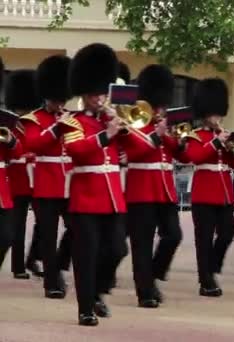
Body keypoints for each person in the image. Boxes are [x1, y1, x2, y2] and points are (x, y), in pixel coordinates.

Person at [58, 43, 128, 326]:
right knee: (86, 255)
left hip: (113, 197)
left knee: (117, 249)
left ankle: (98, 290)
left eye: (102, 93)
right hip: (85, 197)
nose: (100, 98)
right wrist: (107, 134)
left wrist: (119, 125)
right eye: (95, 94)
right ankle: (85, 308)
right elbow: (77, 152)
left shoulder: (111, 119)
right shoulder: (71, 122)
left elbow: (133, 147)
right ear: (84, 95)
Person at [120, 64, 182, 308]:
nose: (160, 110)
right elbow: (136, 151)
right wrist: (157, 134)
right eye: (158, 105)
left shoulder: (165, 126)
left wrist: (173, 137)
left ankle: (153, 274)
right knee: (141, 244)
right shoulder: (135, 124)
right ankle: (144, 291)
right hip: (141, 190)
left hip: (165, 190)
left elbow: (183, 156)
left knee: (173, 235)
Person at [179, 77, 234, 297]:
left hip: (224, 192)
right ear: (205, 114)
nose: (217, 118)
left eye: (219, 113)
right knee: (204, 239)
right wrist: (216, 142)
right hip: (204, 193)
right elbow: (193, 157)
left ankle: (212, 266)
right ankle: (205, 280)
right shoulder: (196, 136)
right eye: (213, 114)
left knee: (228, 232)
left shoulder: (224, 137)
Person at [21, 56, 74, 298]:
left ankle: (60, 266)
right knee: (48, 236)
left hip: (71, 184)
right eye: (55, 99)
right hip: (45, 183)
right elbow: (34, 144)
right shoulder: (33, 119)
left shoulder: (72, 117)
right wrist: (56, 128)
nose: (58, 103)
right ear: (46, 96)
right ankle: (51, 282)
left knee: (76, 230)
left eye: (62, 99)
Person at [2, 69, 44, 280]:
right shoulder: (9, 124)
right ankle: (18, 266)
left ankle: (34, 257)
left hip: (36, 179)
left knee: (44, 223)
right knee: (16, 226)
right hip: (16, 179)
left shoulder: (35, 124)